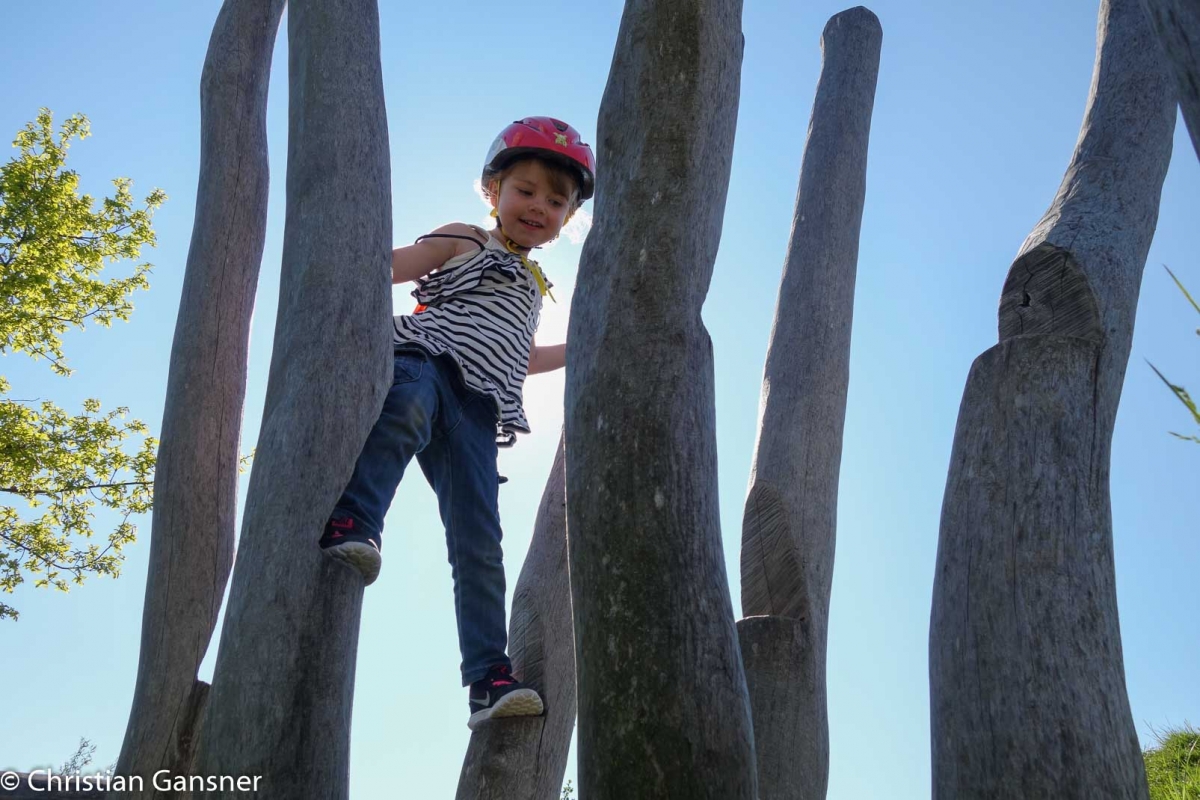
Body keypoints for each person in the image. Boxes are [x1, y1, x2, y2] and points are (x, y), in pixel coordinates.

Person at [318, 116, 595, 730]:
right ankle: (353, 522)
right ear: (493, 191)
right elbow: (397, 264)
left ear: (567, 219)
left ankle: (487, 681)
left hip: (481, 409)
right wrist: (352, 253)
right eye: (526, 190)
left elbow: (520, 359)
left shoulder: (534, 283)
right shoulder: (468, 239)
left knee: (480, 539)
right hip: (426, 362)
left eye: (557, 201)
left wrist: (582, 347)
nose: (539, 207)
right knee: (406, 412)